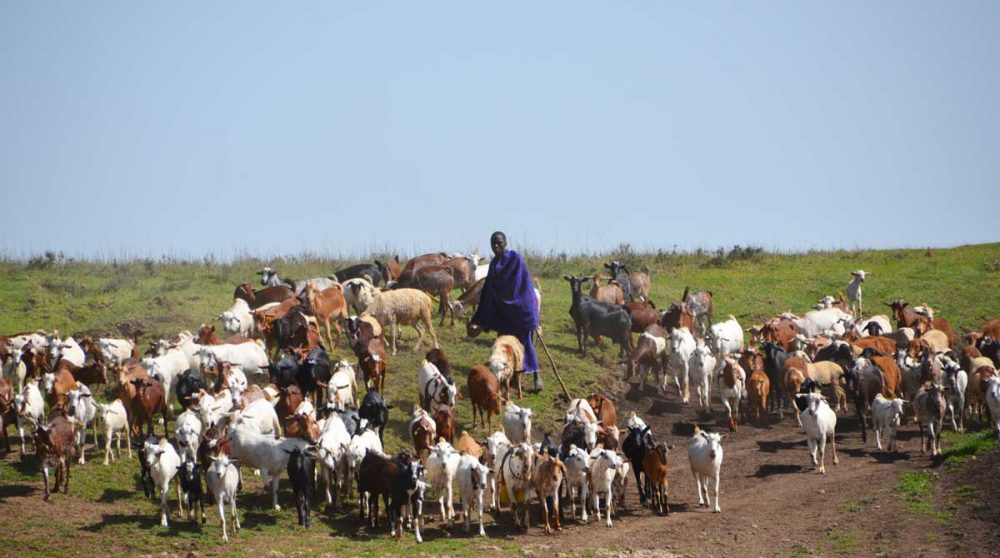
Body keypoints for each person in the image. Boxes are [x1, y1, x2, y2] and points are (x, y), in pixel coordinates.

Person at [469, 231, 543, 392]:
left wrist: (512, 302)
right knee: (504, 346)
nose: (496, 246)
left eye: (499, 243)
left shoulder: (515, 259)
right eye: (493, 243)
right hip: (505, 314)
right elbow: (489, 291)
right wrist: (478, 320)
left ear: (506, 243)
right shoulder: (494, 265)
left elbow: (522, 286)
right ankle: (509, 380)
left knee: (527, 344)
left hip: (521, 310)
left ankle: (538, 379)